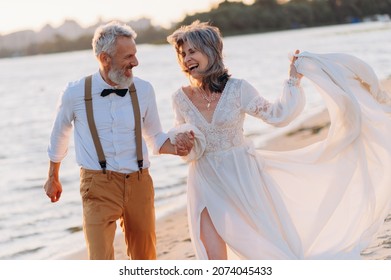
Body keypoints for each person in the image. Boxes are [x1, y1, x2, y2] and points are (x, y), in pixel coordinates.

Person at [166, 20, 391, 259]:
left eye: (192, 51)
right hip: (204, 180)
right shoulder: (179, 98)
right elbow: (186, 146)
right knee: (211, 254)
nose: (186, 58)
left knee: (263, 250)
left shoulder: (237, 89)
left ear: (211, 51)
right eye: (181, 54)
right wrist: (182, 144)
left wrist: (293, 80)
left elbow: (277, 115)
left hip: (242, 177)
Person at [43, 21, 194, 260]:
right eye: (129, 56)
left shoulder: (144, 90)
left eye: (135, 55)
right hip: (97, 185)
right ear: (105, 58)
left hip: (139, 183)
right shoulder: (75, 93)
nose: (135, 62)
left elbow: (155, 137)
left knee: (145, 258)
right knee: (100, 259)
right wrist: (53, 176)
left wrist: (178, 146)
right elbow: (59, 134)